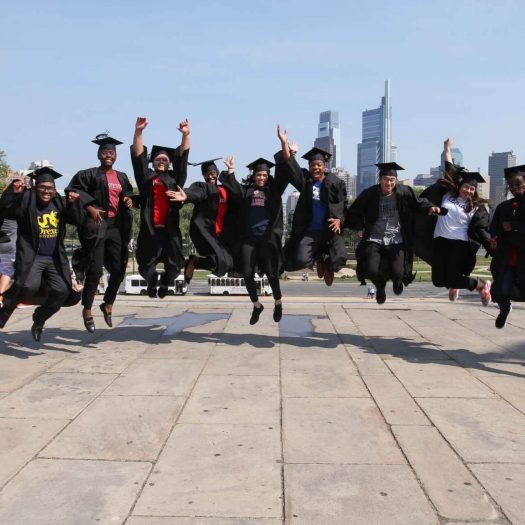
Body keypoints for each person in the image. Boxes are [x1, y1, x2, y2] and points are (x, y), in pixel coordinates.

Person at [0, 168, 81, 341]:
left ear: (54, 190)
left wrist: (73, 204)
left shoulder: (59, 202)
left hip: (54, 258)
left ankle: (39, 319)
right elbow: (7, 211)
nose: (46, 191)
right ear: (36, 188)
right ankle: (7, 304)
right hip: (33, 256)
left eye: (50, 188)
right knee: (27, 286)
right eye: (43, 187)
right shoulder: (27, 200)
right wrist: (12, 193)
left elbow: (76, 220)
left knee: (63, 291)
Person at [347, 162, 439, 304]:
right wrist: (360, 227)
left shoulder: (404, 192)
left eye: (392, 180)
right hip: (374, 238)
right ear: (380, 180)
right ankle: (380, 286)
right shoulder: (370, 194)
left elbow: (418, 202)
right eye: (385, 179)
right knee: (371, 270)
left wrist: (430, 207)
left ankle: (397, 281)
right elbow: (354, 212)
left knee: (398, 273)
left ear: (395, 181)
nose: (389, 183)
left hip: (397, 239)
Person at [68, 134, 134, 332]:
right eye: (105, 152)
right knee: (95, 271)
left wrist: (128, 199)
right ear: (99, 154)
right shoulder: (88, 174)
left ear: (115, 156)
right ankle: (87, 310)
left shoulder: (121, 176)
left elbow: (128, 193)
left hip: (115, 227)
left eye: (112, 153)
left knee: (119, 269)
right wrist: (90, 207)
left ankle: (107, 304)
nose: (108, 155)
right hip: (96, 226)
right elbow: (73, 190)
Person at [414, 138, 492, 305]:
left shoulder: (476, 207)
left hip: (459, 245)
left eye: (472, 189)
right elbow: (449, 169)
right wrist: (446, 148)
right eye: (466, 187)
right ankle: (460, 284)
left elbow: (482, 229)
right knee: (437, 281)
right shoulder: (448, 194)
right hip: (440, 241)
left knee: (451, 278)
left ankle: (481, 285)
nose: (468, 191)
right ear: (460, 185)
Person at [276, 125, 347, 286]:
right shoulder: (305, 182)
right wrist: (284, 143)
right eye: (313, 165)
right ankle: (319, 259)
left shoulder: (335, 182)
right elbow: (289, 163)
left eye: (319, 165)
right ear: (309, 167)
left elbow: (343, 204)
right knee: (300, 259)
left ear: (324, 166)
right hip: (310, 231)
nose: (316, 167)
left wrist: (339, 220)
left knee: (340, 258)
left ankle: (325, 260)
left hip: (329, 230)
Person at [222, 156, 288, 324]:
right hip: (249, 239)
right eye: (259, 175)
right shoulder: (247, 191)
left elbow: (283, 178)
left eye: (265, 175)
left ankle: (278, 302)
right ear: (253, 175)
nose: (261, 178)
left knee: (271, 273)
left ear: (268, 176)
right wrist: (231, 171)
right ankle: (257, 305)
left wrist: (289, 154)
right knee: (247, 273)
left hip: (267, 239)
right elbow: (235, 189)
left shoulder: (272, 191)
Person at [131, 116, 190, 298]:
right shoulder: (146, 178)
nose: (161, 161)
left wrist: (186, 135)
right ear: (153, 162)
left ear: (169, 162)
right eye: (158, 159)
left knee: (175, 267)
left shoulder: (174, 179)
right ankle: (152, 281)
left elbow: (183, 157)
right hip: (150, 231)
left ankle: (165, 282)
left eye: (165, 159)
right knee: (144, 267)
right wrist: (139, 132)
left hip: (170, 231)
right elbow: (138, 157)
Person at [168, 156, 242, 283]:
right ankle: (193, 262)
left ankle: (194, 262)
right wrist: (186, 196)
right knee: (218, 260)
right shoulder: (203, 187)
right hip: (204, 231)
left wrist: (231, 171)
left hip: (221, 234)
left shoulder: (225, 189)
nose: (211, 177)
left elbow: (238, 194)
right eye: (207, 174)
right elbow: (196, 193)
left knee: (227, 263)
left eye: (213, 173)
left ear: (218, 173)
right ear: (203, 176)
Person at [489, 164, 525, 328]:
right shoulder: (504, 207)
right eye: (511, 185)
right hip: (507, 255)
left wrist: (514, 226)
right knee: (502, 288)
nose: (515, 188)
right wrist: (494, 237)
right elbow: (495, 228)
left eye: (518, 184)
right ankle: (504, 309)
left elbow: (512, 226)